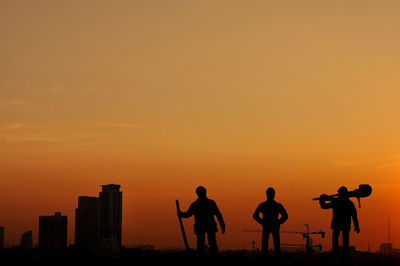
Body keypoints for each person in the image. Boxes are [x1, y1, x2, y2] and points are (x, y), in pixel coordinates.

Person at [178, 186, 225, 254]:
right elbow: (188, 214)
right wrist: (181, 214)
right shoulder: (207, 203)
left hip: (207, 226)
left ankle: (212, 256)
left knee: (210, 243)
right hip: (204, 226)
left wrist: (222, 225)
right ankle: (204, 257)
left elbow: (218, 214)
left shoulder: (199, 204)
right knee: (203, 244)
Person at [319, 186, 360, 256]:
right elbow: (354, 216)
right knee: (344, 241)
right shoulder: (349, 203)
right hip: (344, 224)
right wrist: (356, 227)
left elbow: (324, 206)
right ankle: (343, 254)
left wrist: (321, 200)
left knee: (336, 240)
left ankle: (337, 254)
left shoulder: (336, 201)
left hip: (337, 224)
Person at [253, 187, 288, 257]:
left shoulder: (263, 205)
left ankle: (266, 258)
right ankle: (275, 259)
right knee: (275, 245)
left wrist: (262, 222)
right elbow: (285, 216)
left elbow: (255, 215)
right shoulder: (277, 205)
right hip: (273, 226)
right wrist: (279, 222)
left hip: (268, 226)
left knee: (266, 245)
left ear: (267, 195)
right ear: (274, 195)